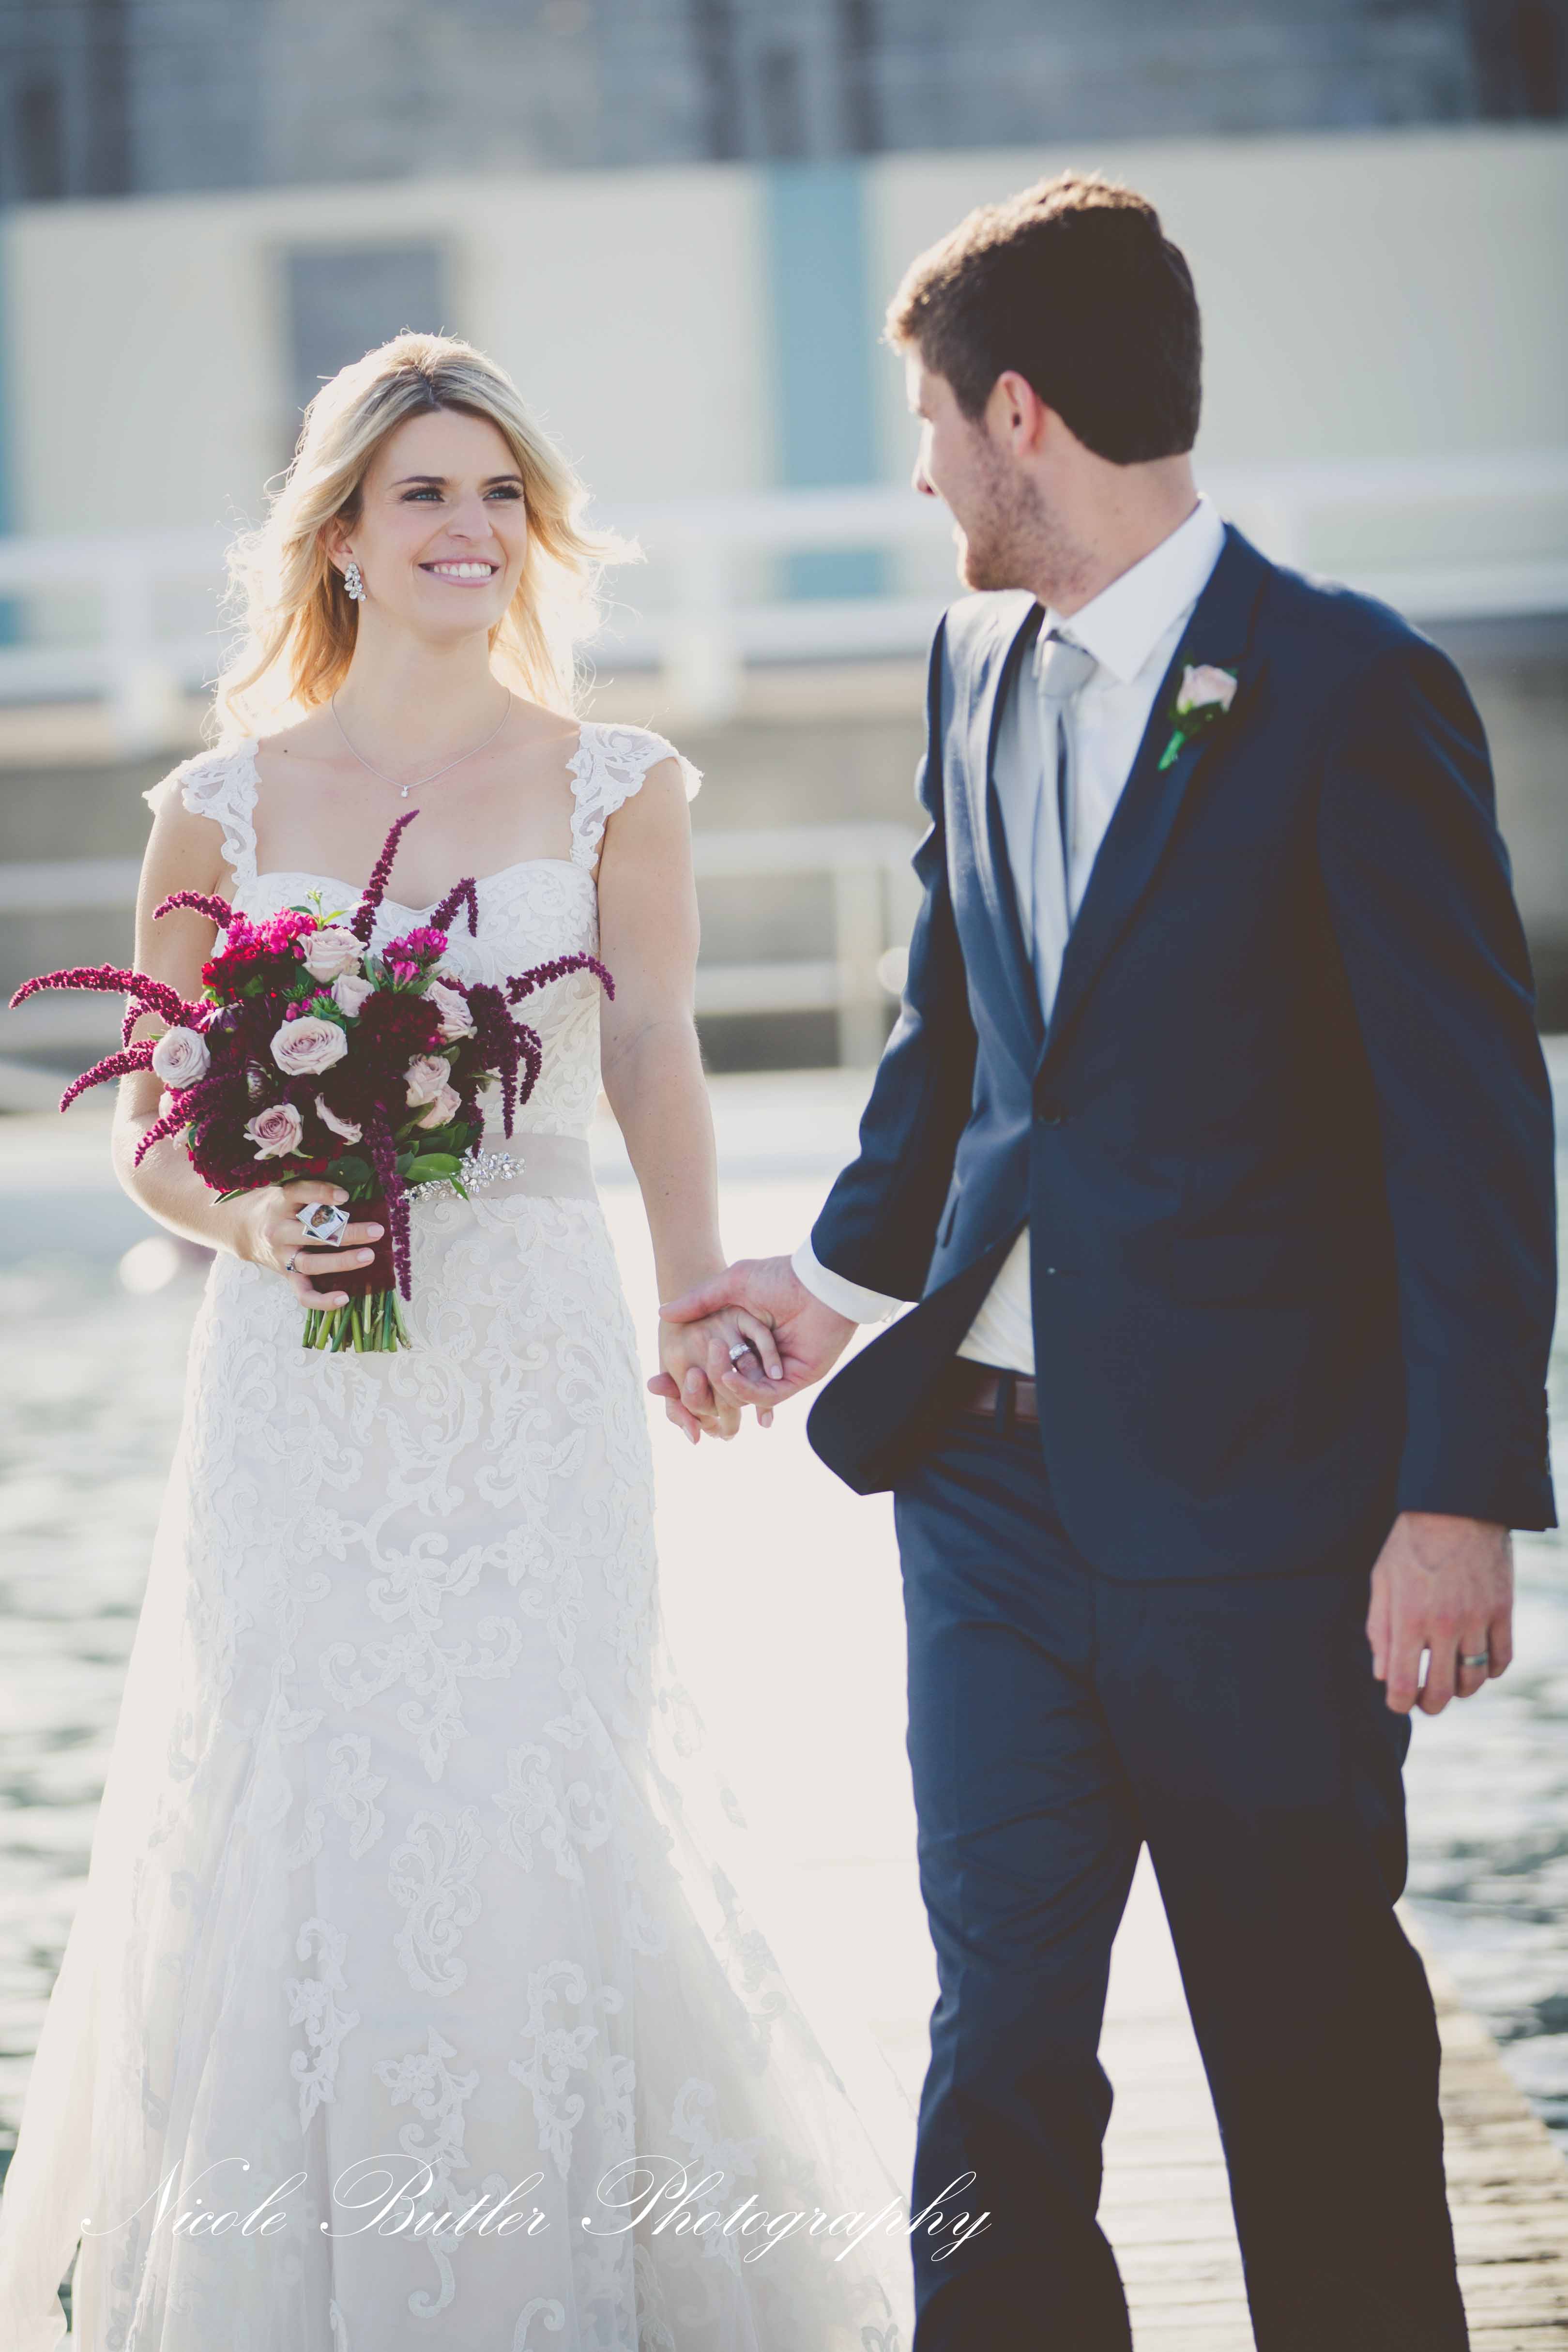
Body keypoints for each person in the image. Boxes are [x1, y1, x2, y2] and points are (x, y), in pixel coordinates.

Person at [658, 173, 1559, 2350]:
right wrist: (829, 1288)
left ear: (1019, 415)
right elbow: (955, 1045)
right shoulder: (969, 666)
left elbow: (1473, 1133)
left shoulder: (1353, 689)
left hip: (1266, 1519)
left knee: (1312, 2057)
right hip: (982, 1497)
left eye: (929, 421)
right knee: (995, 2054)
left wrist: (1458, 1500)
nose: (920, 471)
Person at [0, 334, 912, 2351]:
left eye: (501, 494)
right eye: (425, 492)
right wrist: (249, 1218)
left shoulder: (619, 781)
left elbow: (654, 1052)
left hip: (532, 1359)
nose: (471, 529)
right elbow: (153, 1121)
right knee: (308, 1811)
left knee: (534, 1794)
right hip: (297, 1384)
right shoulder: (218, 808)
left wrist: (695, 1294)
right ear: (339, 533)